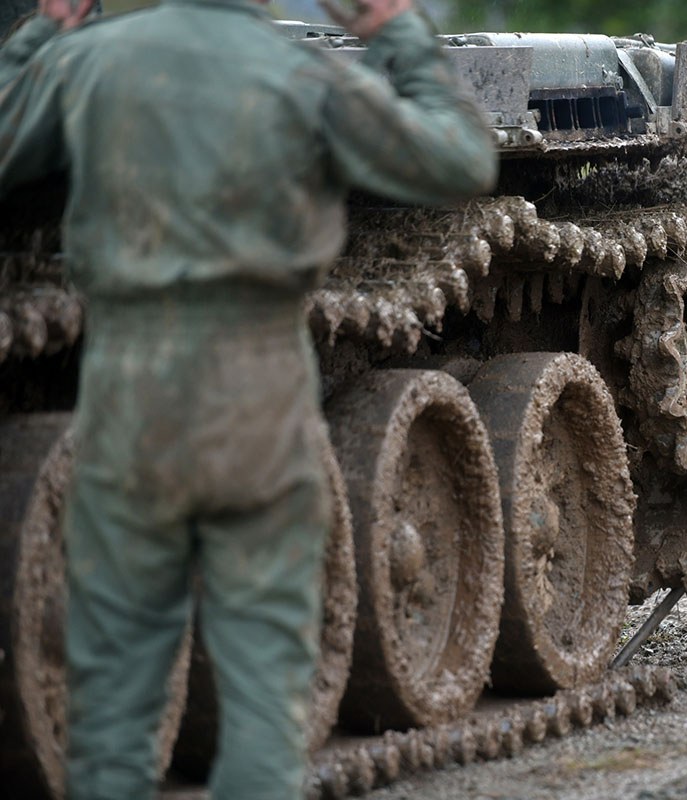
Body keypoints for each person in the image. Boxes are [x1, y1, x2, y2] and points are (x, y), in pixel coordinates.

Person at [0, 0, 497, 796]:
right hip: (259, 392)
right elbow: (461, 158)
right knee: (265, 687)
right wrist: (395, 27)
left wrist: (44, 27)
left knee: (116, 697)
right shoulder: (305, 74)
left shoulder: (89, 61)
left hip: (130, 390)